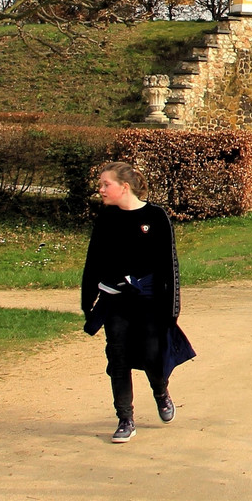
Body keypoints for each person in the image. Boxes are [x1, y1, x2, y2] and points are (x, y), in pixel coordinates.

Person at [81, 161, 195, 444]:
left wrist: (172, 310)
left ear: (124, 186)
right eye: (100, 184)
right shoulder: (106, 218)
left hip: (150, 303)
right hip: (116, 302)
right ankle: (125, 418)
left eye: (106, 184)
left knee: (152, 356)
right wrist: (88, 301)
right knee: (117, 357)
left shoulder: (156, 216)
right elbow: (93, 261)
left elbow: (170, 267)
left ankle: (161, 392)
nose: (101, 189)